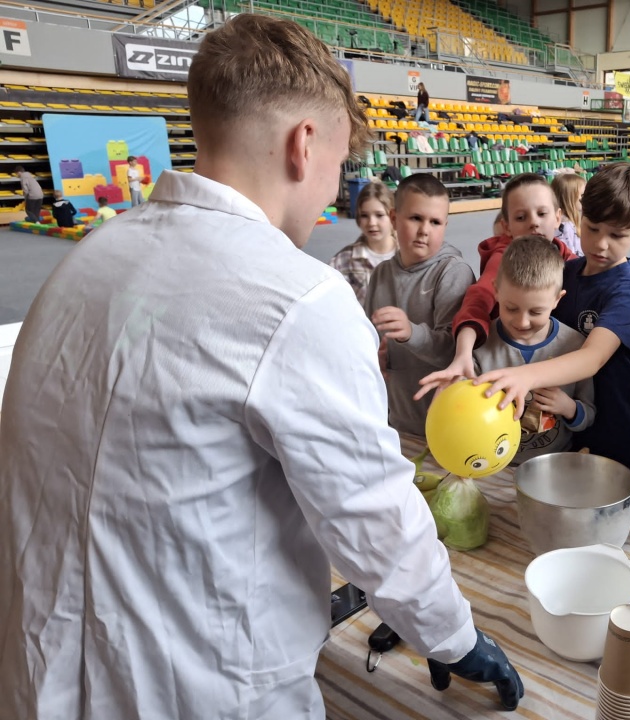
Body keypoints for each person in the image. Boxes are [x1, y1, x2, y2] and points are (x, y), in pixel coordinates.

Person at [0, 15, 523, 719]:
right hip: (200, 685)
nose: (333, 195)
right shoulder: (300, 297)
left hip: (43, 669)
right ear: (304, 146)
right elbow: (378, 521)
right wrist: (454, 637)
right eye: (339, 168)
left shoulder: (91, 256)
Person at [461, 164, 630, 498]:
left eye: (617, 235)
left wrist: (524, 376)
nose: (600, 244)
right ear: (579, 215)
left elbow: (591, 359)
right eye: (593, 228)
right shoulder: (566, 273)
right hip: (574, 433)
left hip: (622, 438)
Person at [418, 173, 578, 387]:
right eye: (521, 217)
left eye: (542, 213)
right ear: (507, 226)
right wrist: (463, 353)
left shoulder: (572, 261)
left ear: (558, 218)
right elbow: (478, 299)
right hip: (504, 360)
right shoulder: (503, 260)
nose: (534, 223)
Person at [364, 173, 476, 436]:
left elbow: (454, 351)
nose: (425, 230)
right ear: (393, 219)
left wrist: (411, 333)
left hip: (445, 422)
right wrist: (374, 356)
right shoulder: (381, 274)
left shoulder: (453, 272)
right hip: (397, 418)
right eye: (416, 218)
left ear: (445, 225)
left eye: (435, 222)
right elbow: (369, 334)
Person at [473, 235, 595, 464]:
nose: (522, 322)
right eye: (511, 308)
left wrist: (568, 407)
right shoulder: (481, 344)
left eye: (536, 312)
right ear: (496, 291)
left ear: (557, 300)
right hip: (495, 464)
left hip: (556, 464)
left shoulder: (575, 346)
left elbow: (588, 415)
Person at [331, 180, 397, 305]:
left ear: (392, 217)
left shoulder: (408, 257)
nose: (372, 222)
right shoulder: (343, 260)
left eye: (379, 215)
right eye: (365, 215)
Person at [551, 172, 585, 256]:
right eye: (582, 195)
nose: (585, 198)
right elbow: (569, 258)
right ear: (570, 197)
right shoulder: (564, 225)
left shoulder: (575, 220)